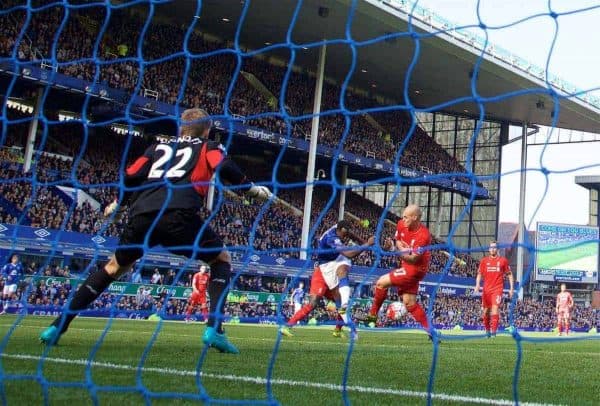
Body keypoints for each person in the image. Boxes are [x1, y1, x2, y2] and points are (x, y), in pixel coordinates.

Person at [40, 107, 273, 354]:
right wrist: (251, 190)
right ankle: (215, 328)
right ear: (207, 131)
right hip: (178, 214)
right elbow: (223, 166)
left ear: (181, 128)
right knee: (222, 258)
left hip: (142, 214)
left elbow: (130, 175)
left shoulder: (157, 148)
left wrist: (119, 204)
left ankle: (57, 327)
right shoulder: (208, 147)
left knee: (113, 267)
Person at [280, 220, 374, 339]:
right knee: (313, 303)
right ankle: (287, 326)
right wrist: (367, 244)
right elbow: (349, 254)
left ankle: (338, 330)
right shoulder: (331, 238)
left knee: (341, 303)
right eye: (343, 235)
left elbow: (350, 234)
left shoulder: (338, 227)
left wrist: (363, 242)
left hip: (331, 267)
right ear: (340, 230)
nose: (345, 237)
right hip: (322, 271)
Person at [364, 204, 434, 339]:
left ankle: (372, 317)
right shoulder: (401, 224)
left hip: (415, 270)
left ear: (415, 218)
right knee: (409, 303)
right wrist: (398, 247)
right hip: (406, 265)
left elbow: (413, 259)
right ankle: (432, 332)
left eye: (406, 217)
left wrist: (395, 250)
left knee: (380, 283)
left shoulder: (424, 236)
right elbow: (398, 241)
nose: (403, 219)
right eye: (403, 216)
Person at [474, 240, 514, 338]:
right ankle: (487, 331)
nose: (492, 249)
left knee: (495, 308)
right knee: (486, 311)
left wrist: (511, 289)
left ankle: (493, 333)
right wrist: (477, 285)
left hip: (497, 289)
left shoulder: (503, 261)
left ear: (497, 249)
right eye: (491, 247)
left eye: (494, 247)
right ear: (489, 249)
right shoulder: (484, 261)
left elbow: (509, 275)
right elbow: (479, 274)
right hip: (486, 290)